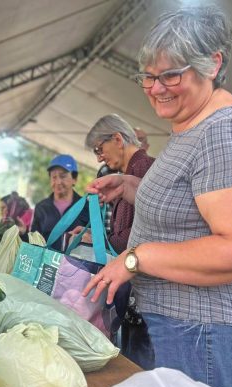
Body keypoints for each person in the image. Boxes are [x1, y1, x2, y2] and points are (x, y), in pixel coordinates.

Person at [83, 6, 232, 387]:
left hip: (210, 331)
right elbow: (193, 207)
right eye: (148, 77)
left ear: (212, 63)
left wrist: (136, 259)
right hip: (194, 328)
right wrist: (130, 186)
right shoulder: (196, 124)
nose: (157, 88)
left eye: (171, 75)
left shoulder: (225, 133)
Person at [86, 114, 155, 369]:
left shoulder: (144, 169)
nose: (99, 158)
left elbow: (140, 235)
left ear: (117, 139)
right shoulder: (130, 172)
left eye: (99, 149)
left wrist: (103, 242)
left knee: (140, 368)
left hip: (146, 294)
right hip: (137, 290)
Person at [31, 154, 90, 252]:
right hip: (46, 264)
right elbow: (33, 241)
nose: (58, 182)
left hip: (74, 265)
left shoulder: (85, 206)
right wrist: (23, 233)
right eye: (54, 177)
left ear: (74, 179)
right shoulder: (41, 207)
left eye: (63, 176)